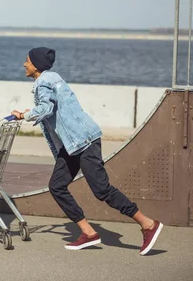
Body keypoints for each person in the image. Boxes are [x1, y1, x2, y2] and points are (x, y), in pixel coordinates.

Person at [11, 47, 163, 255]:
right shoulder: (51, 79)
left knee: (102, 189)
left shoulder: (44, 82)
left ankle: (147, 224)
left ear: (36, 65)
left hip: (84, 141)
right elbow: (52, 108)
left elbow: (46, 108)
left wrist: (22, 116)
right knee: (57, 186)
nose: (24, 64)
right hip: (73, 144)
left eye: (27, 60)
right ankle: (89, 233)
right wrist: (34, 113)